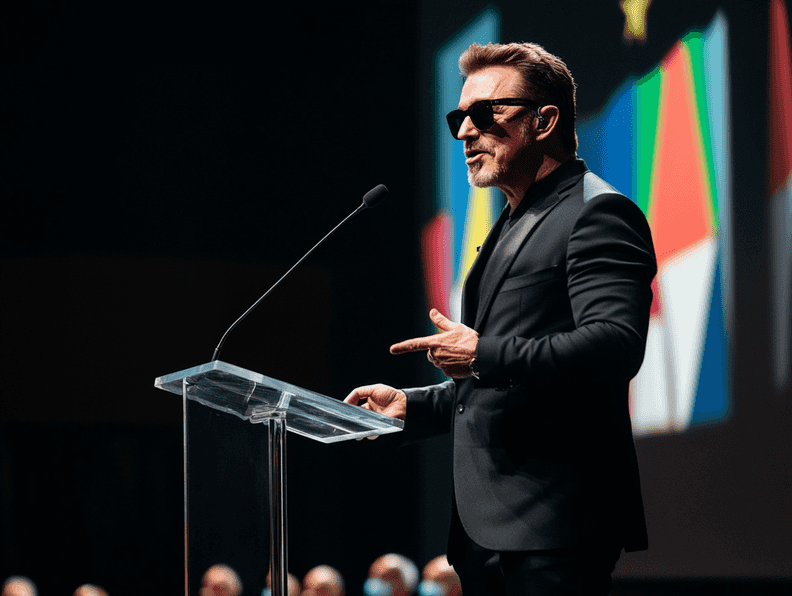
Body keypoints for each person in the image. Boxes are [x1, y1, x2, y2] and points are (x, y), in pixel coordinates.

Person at [345, 42, 656, 596]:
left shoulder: (598, 213)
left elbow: (615, 345)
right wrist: (411, 407)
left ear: (544, 119)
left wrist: (482, 352)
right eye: (458, 118)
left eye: (484, 114)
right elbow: (497, 382)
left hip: (554, 529)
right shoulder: (512, 222)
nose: (465, 132)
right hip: (488, 536)